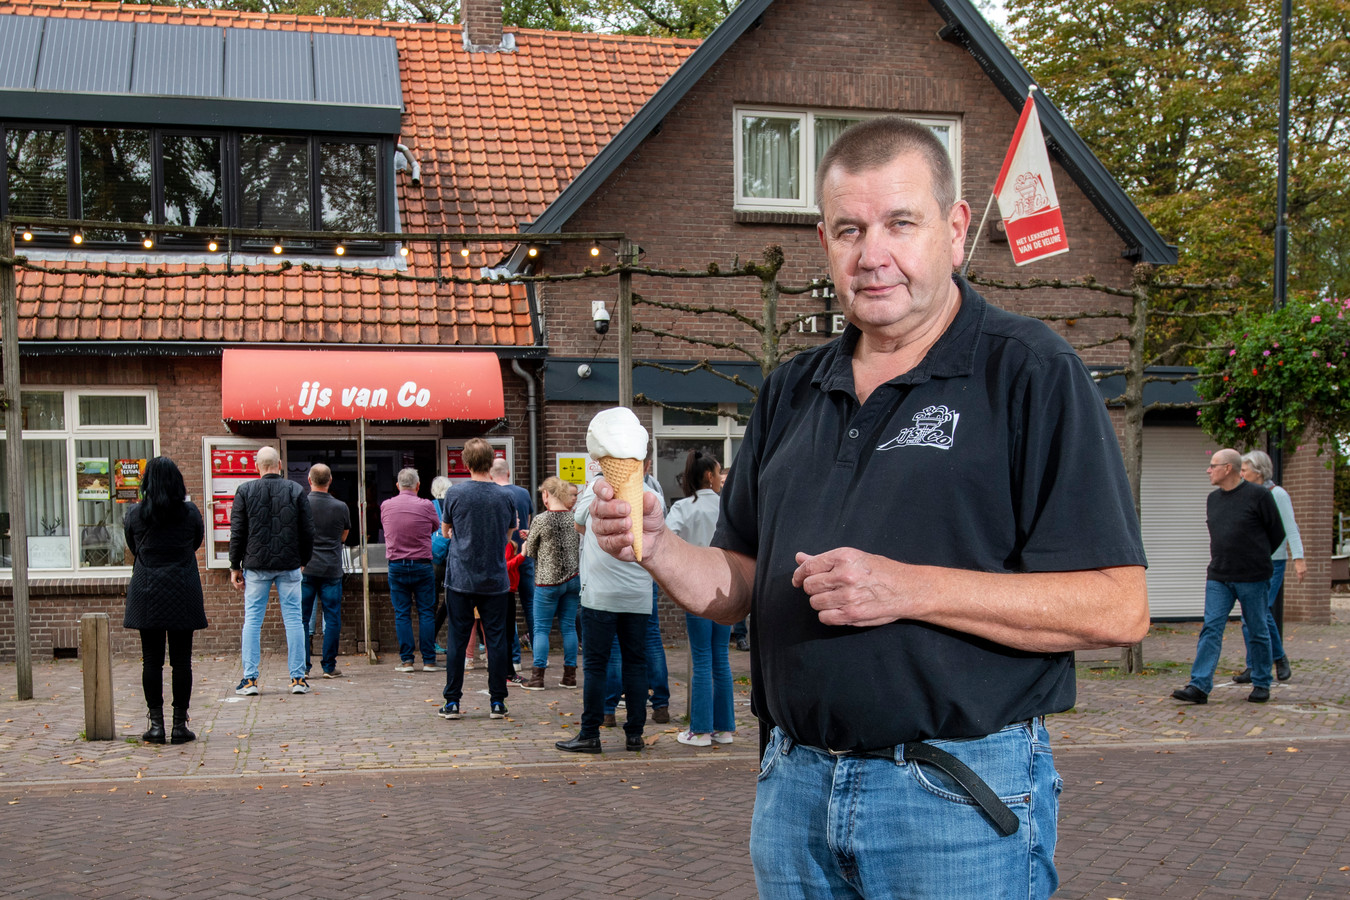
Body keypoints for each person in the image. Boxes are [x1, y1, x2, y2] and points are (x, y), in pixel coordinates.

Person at [585, 116, 1149, 897]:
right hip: (795, 793)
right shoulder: (791, 387)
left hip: (951, 799)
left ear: (955, 232)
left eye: (900, 223)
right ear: (825, 242)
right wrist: (659, 547)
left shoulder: (1029, 373)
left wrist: (908, 588)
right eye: (849, 229)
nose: (871, 253)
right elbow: (743, 578)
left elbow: (1118, 607)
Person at [555, 470, 660, 755]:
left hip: (600, 593)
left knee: (596, 665)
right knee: (636, 663)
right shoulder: (651, 494)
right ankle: (635, 735)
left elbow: (579, 526)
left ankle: (590, 734)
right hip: (638, 593)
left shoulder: (595, 490)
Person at [1172, 449, 1287, 705]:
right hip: (1219, 575)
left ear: (1228, 469)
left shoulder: (1259, 496)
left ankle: (1261, 682)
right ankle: (1199, 686)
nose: (1208, 470)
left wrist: (1256, 557)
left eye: (1213, 465)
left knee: (1257, 629)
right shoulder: (1213, 499)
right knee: (1211, 628)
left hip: (1253, 577)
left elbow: (1276, 533)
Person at [123, 456, 207, 744]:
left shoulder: (135, 515)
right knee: (182, 661)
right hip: (182, 589)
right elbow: (196, 542)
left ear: (147, 483)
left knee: (152, 660)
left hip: (147, 591)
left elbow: (134, 547)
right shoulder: (191, 513)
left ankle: (156, 725)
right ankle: (179, 726)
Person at [438, 438, 518, 721]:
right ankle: (497, 702)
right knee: (496, 639)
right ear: (491, 462)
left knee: (458, 640)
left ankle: (452, 702)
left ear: (466, 463)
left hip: (461, 577)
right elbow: (510, 535)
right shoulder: (505, 496)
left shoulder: (455, 495)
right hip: (495, 578)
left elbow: (446, 530)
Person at [230, 446, 316, 697]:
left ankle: (249, 680)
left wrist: (235, 566)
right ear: (279, 464)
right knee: (294, 620)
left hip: (256, 566)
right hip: (289, 564)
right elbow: (308, 531)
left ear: (257, 466)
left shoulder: (245, 491)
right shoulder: (295, 490)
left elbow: (238, 532)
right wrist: (303, 559)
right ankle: (298, 678)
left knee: (253, 621)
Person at [666, 450, 734, 747]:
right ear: (709, 475)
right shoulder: (728, 506)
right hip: (728, 589)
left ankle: (701, 730)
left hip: (697, 589)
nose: (721, 478)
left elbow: (666, 542)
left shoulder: (683, 507)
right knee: (721, 658)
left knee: (703, 658)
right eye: (719, 472)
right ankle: (724, 729)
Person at [1234, 449, 1305, 684]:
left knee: (1261, 613)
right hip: (1249, 562)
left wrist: (1299, 558)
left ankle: (1278, 658)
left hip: (1273, 562)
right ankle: (1254, 665)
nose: (1241, 474)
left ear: (1258, 472)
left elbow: (1290, 528)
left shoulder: (1278, 494)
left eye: (1244, 470)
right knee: (1249, 616)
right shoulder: (1246, 494)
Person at [380, 468, 442, 673]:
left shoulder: (386, 505)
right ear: (418, 485)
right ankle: (429, 660)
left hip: (396, 565)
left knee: (402, 613)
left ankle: (407, 660)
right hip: (422, 564)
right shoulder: (426, 505)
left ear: (398, 486)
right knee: (426, 612)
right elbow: (435, 527)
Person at [522, 476, 582, 690]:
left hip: (547, 582)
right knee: (568, 628)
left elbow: (530, 551)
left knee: (541, 630)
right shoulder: (574, 518)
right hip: (573, 579)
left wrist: (526, 542)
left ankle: (537, 678)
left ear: (546, 494)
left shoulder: (541, 519)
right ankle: (569, 677)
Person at [301, 463, 350, 678]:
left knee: (302, 619)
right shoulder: (341, 507)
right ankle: (329, 666)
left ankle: (303, 666)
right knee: (332, 618)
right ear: (330, 481)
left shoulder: (300, 504)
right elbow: (344, 536)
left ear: (309, 481)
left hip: (306, 568)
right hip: (331, 569)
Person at [491, 457, 535, 673]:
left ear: (491, 475)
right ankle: (539, 657)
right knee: (531, 605)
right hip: (524, 554)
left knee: (507, 608)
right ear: (508, 473)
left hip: (502, 557)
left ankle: (514, 658)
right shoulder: (523, 494)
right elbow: (526, 521)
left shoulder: (492, 494)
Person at [430, 475, 453, 655]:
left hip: (434, 559)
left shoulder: (430, 505)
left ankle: (431, 641)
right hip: (452, 558)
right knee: (451, 600)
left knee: (431, 601)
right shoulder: (453, 504)